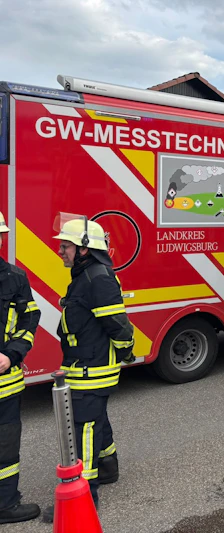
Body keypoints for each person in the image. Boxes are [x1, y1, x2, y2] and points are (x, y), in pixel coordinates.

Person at [42, 214, 135, 522]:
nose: (60, 251)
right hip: (85, 363)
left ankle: (84, 495)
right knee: (96, 418)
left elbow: (117, 324)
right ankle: (108, 468)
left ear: (84, 248)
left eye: (65, 246)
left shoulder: (98, 277)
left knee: (84, 428)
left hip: (92, 368)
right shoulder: (87, 275)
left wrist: (126, 352)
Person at [0, 212, 42, 524]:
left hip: (6, 385)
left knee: (6, 447)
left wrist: (12, 354)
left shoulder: (15, 278)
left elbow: (30, 318)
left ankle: (6, 504)